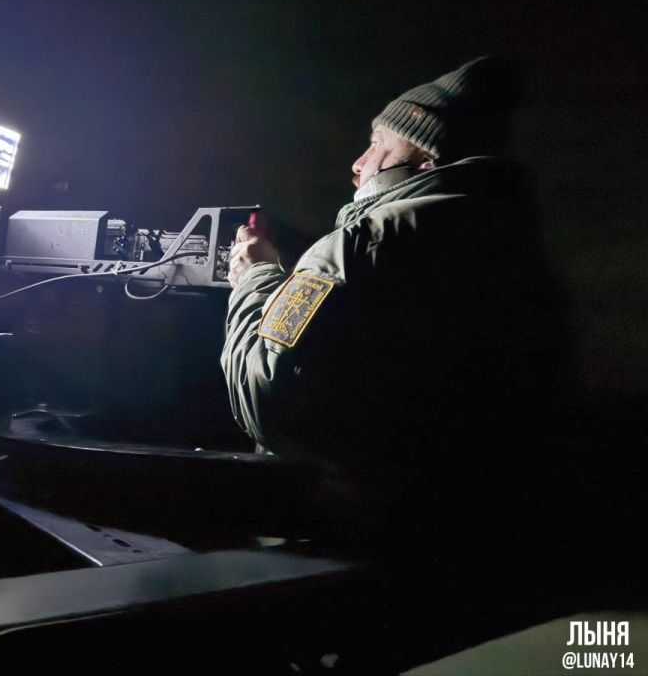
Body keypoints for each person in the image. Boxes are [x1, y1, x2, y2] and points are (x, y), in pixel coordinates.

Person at [221, 57, 571, 549]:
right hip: (480, 539)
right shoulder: (520, 250)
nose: (359, 163)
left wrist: (254, 277)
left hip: (341, 538)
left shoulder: (358, 244)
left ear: (427, 159)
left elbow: (266, 399)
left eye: (378, 142)